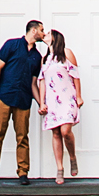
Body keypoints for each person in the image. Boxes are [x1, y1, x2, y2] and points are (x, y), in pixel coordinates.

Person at [0, 18, 45, 184]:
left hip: (24, 100)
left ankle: (23, 172)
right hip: (4, 97)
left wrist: (41, 103)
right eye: (41, 30)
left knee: (22, 137)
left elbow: (34, 83)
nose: (43, 33)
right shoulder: (11, 45)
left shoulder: (36, 56)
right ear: (34, 30)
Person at [36, 27, 82, 183]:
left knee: (65, 131)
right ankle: (60, 169)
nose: (45, 35)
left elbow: (75, 76)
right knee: (55, 133)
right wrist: (42, 102)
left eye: (48, 33)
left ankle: (72, 156)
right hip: (52, 101)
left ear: (55, 38)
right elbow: (41, 82)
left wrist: (79, 96)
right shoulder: (44, 59)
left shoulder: (66, 53)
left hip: (67, 98)